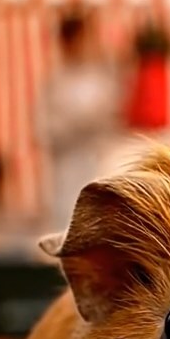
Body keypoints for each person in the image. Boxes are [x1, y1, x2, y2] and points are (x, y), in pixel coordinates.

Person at [37, 13, 119, 229]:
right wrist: (75, 126)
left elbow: (111, 119)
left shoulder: (102, 80)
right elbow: (44, 129)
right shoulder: (56, 83)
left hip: (97, 169)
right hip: (65, 176)